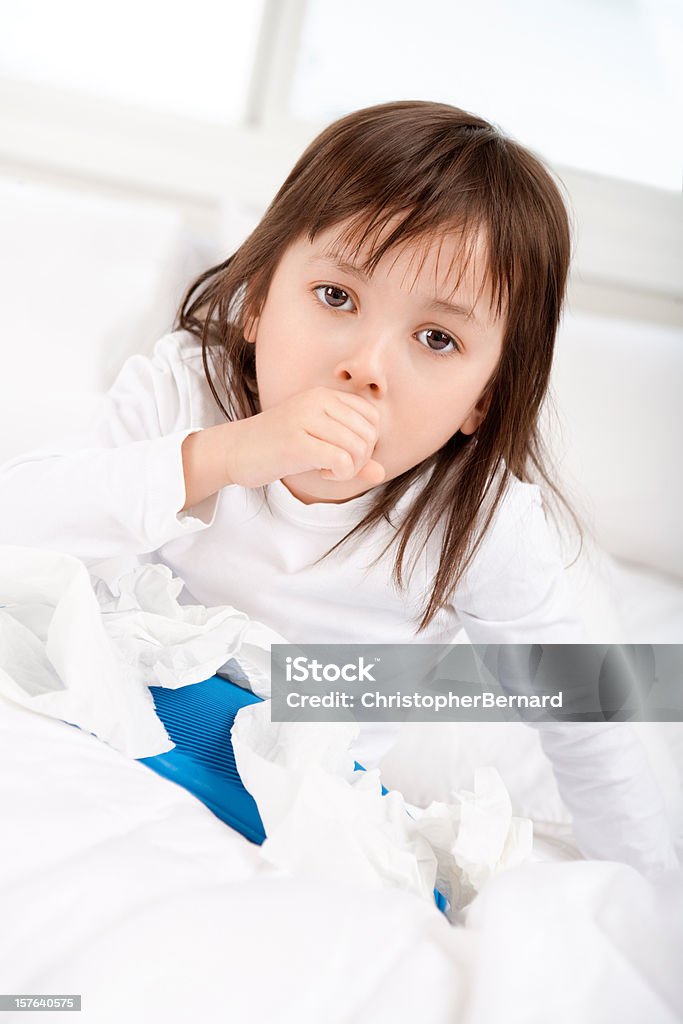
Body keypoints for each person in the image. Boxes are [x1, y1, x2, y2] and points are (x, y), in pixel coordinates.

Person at [0, 100, 676, 875]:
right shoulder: (187, 391)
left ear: (481, 400)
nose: (366, 365)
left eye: (436, 338)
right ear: (256, 301)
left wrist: (651, 899)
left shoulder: (481, 522)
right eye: (336, 297)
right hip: (126, 708)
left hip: (302, 794)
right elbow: (20, 526)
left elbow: (586, 724)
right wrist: (219, 456)